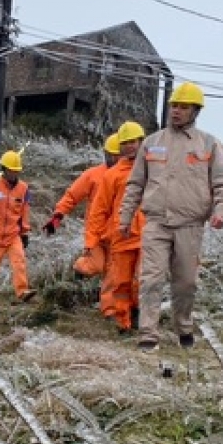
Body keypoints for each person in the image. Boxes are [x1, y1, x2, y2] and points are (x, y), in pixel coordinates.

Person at [118, 82, 223, 351]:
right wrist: (125, 219)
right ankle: (148, 333)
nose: (177, 111)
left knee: (186, 283)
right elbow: (135, 184)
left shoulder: (208, 144)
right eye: (174, 105)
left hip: (190, 226)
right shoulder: (152, 142)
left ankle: (183, 326)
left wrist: (220, 211)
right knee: (151, 278)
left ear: (195, 111)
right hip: (156, 223)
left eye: (183, 107)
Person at [42, 133, 120, 306]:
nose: (112, 158)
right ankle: (78, 268)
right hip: (95, 233)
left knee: (113, 274)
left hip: (118, 234)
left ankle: (109, 310)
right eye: (109, 154)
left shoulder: (129, 176)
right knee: (98, 266)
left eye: (116, 155)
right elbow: (72, 196)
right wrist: (57, 217)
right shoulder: (92, 175)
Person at [87, 121, 147, 333]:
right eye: (125, 143)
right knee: (120, 284)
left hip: (148, 236)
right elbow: (99, 209)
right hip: (121, 237)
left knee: (143, 281)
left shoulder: (154, 170)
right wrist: (91, 240)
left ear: (142, 142)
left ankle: (139, 313)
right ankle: (124, 324)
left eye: (134, 142)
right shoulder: (111, 176)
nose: (130, 146)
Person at [0, 149, 37, 307]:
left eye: (17, 171)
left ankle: (22, 292)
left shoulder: (23, 188)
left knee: (19, 262)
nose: (14, 174)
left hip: (13, 235)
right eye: (12, 170)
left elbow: (24, 211)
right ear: (4, 169)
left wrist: (24, 232)